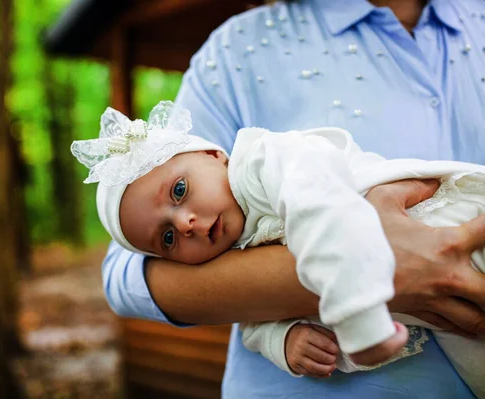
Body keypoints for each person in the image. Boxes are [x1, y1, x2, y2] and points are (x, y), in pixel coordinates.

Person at [99, 1, 485, 397]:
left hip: (455, 222)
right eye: (167, 239)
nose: (184, 224)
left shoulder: (265, 161)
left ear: (217, 154)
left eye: (180, 192)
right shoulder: (237, 49)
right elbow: (127, 277)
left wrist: (361, 310)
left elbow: (321, 210)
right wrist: (282, 342)